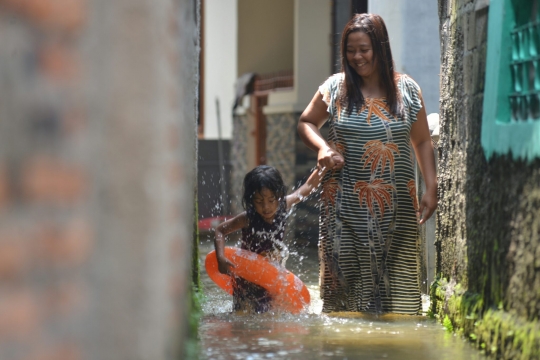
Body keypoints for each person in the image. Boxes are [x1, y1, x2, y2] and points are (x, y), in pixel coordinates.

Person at [297, 13, 437, 314]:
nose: (357, 57)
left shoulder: (408, 91)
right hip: (344, 209)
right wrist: (322, 148)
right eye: (350, 50)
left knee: (398, 303)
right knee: (345, 305)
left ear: (380, 48)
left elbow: (423, 141)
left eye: (364, 49)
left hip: (396, 208)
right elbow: (306, 122)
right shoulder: (335, 89)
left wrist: (432, 186)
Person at [214, 165, 326, 313]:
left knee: (269, 314)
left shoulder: (284, 205)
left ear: (279, 195)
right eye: (259, 201)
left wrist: (323, 167)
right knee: (242, 314)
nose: (266, 207)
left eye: (271, 200)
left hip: (270, 275)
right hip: (247, 278)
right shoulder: (248, 218)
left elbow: (309, 186)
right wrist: (220, 258)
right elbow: (220, 230)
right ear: (251, 200)